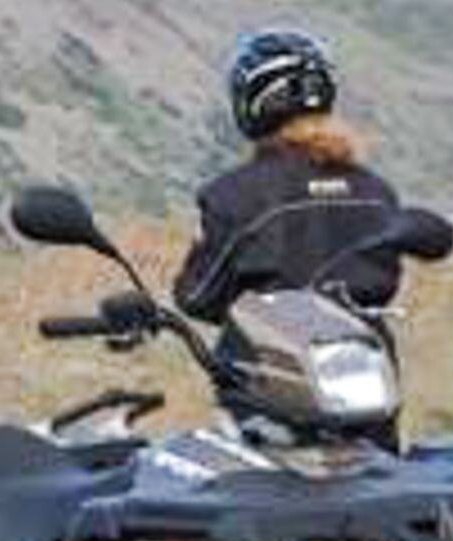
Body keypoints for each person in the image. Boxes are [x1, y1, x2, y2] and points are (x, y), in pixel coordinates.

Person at [170, 28, 414, 324]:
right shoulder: (377, 191)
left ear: (254, 99)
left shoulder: (230, 195)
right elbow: (386, 284)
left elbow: (198, 297)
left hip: (273, 363)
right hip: (364, 362)